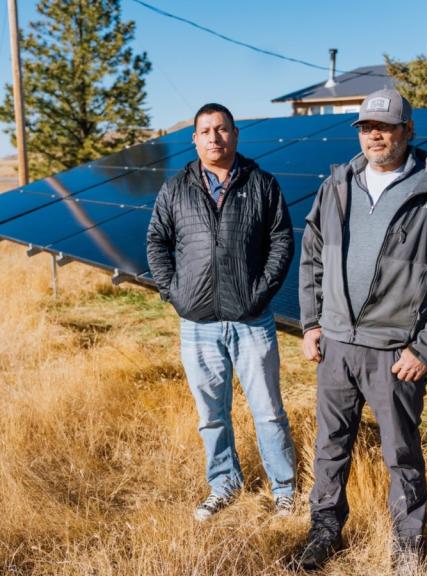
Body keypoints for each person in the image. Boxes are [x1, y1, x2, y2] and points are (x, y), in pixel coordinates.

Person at [296, 88, 427, 572]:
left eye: (385, 126)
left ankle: (407, 546)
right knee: (331, 447)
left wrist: (425, 348)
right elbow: (312, 255)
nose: (374, 135)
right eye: (366, 127)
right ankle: (325, 530)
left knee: (402, 453)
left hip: (394, 353)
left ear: (408, 131)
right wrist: (311, 322)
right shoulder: (336, 186)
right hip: (335, 345)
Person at [146, 103, 297, 521]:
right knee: (211, 415)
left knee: (267, 409)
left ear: (235, 135)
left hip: (251, 320)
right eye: (205, 131)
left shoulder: (262, 184)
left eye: (222, 129)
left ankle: (283, 488)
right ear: (193, 139)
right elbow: (157, 242)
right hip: (197, 322)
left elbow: (281, 241)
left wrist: (260, 294)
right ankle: (224, 483)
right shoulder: (176, 189)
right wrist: (176, 294)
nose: (214, 137)